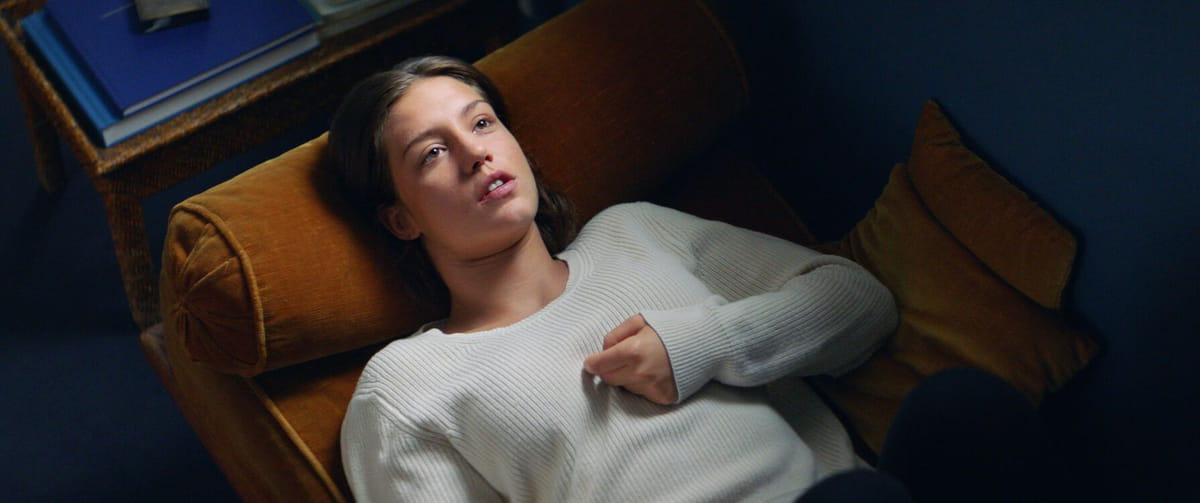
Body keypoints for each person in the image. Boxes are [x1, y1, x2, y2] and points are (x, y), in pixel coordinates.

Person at [328, 56, 1051, 502]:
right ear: (400, 219)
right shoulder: (407, 387)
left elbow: (859, 301)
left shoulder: (634, 233)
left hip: (837, 491)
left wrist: (699, 346)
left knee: (963, 413)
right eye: (431, 153)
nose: (475, 153)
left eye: (482, 123)